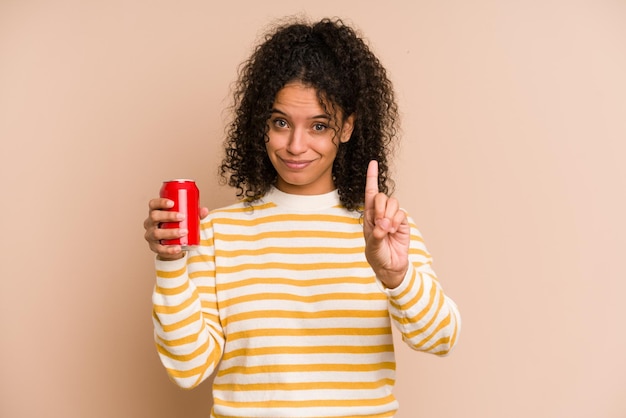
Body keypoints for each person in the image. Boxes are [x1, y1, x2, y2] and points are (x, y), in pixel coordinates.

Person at [143, 16, 460, 418]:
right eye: (280, 123)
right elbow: (188, 369)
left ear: (346, 127)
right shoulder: (219, 233)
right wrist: (170, 264)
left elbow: (441, 338)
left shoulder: (383, 229)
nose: (296, 145)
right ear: (262, 124)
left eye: (319, 126)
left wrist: (397, 277)